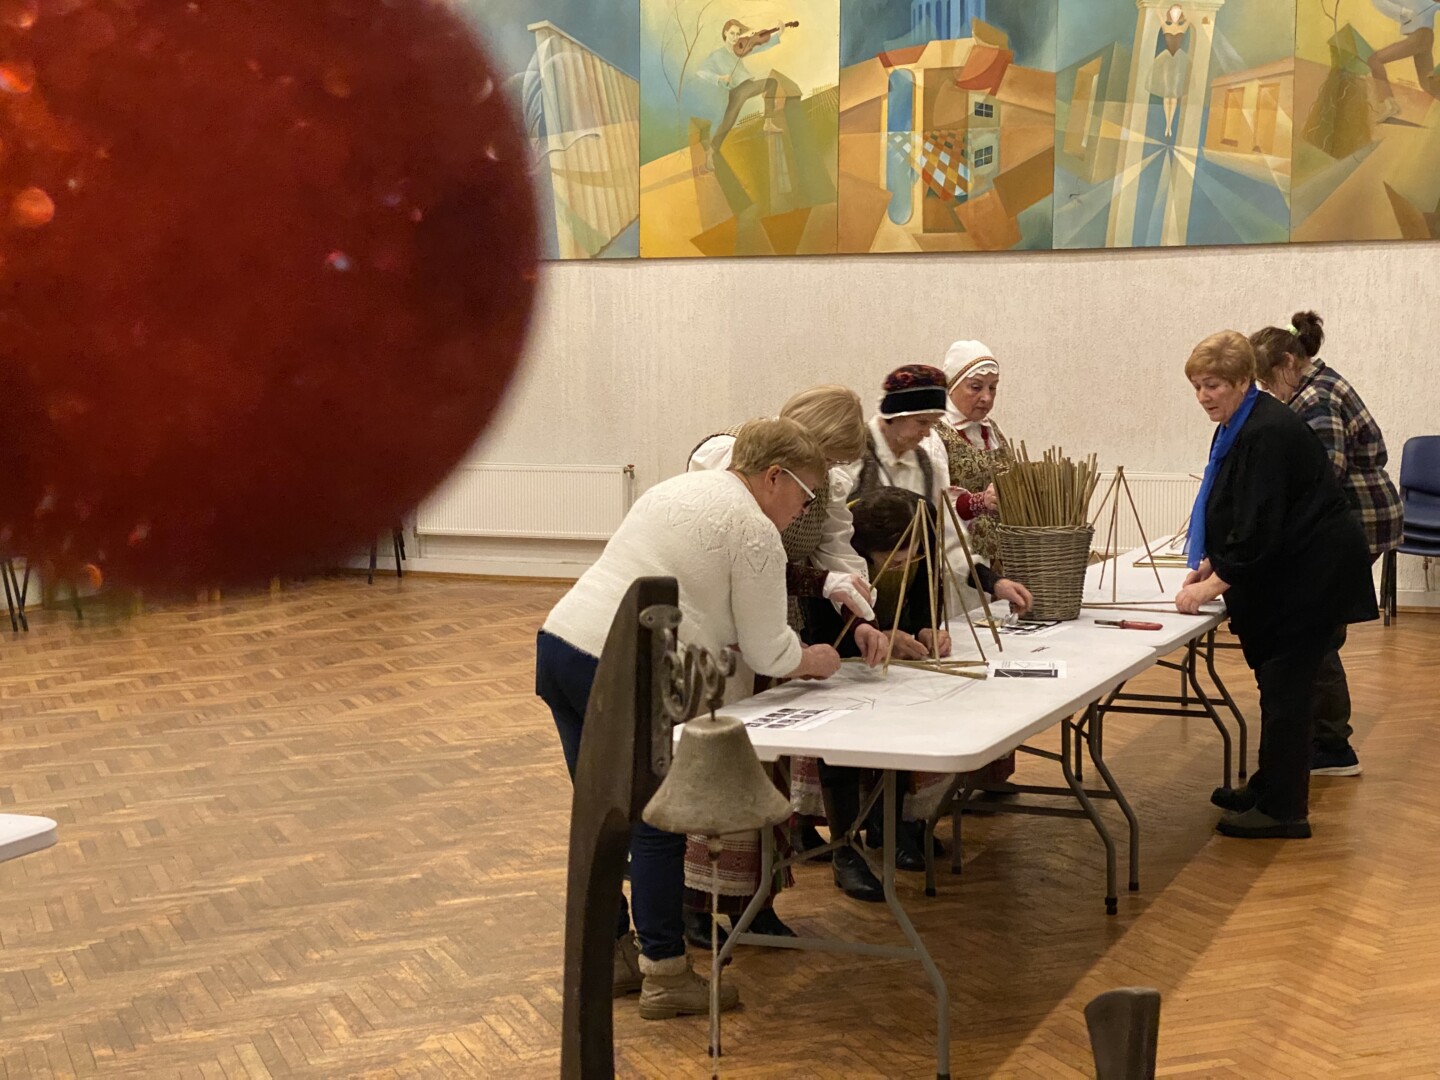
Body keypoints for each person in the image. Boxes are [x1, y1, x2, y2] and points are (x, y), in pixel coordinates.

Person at [535, 418, 841, 1018]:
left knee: (599, 815)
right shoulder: (754, 529)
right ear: (773, 476)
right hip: (627, 666)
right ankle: (666, 973)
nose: (802, 513)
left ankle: (613, 954)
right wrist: (815, 659)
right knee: (656, 823)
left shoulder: (676, 489)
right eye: (805, 497)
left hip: (563, 645)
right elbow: (768, 651)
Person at [686, 386, 886, 936]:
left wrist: (862, 614)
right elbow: (725, 553)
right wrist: (807, 627)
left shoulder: (822, 485)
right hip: (714, 631)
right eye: (825, 460)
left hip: (770, 621)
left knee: (762, 769)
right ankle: (695, 906)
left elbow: (834, 553)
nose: (827, 477)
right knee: (717, 766)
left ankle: (752, 904)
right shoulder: (725, 461)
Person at [1175, 331, 1377, 840]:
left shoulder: (1265, 431)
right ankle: (1269, 787)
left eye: (1213, 385)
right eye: (1197, 386)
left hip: (1310, 578)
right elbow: (1239, 507)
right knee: (1277, 689)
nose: (1203, 396)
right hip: (1294, 575)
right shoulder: (1241, 423)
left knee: (1288, 694)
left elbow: (1262, 522)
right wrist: (1213, 563)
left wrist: (1212, 585)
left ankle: (1284, 811)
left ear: (1244, 380)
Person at [1249, 311, 1402, 778]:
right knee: (1323, 628)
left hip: (1358, 519)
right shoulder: (1317, 384)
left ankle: (1332, 746)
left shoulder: (1315, 398)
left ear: (1288, 363)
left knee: (1318, 631)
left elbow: (1323, 475)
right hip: (1357, 517)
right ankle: (1324, 737)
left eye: (1267, 380)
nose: (1267, 391)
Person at [695, 18, 791, 172]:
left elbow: (759, 46)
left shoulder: (739, 48)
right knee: (727, 123)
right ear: (725, 33)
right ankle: (711, 153)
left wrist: (778, 34)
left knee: (771, 83)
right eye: (732, 33)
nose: (735, 37)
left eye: (737, 34)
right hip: (737, 91)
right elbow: (701, 71)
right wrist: (719, 78)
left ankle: (768, 122)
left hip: (748, 86)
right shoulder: (717, 55)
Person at [1367, 0, 1440, 121]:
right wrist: (1403, 12)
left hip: (1420, 37)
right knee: (1426, 84)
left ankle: (1390, 105)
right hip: (1423, 38)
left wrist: (1403, 12)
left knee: (1374, 60)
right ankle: (1391, 105)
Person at [1149, 5, 1190, 138]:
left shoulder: (1183, 27)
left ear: (1181, 14)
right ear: (1169, 13)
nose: (1175, 15)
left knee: (1175, 93)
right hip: (1166, 61)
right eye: (1173, 12)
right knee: (1167, 92)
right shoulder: (1165, 26)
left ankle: (1170, 125)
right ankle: (1167, 125)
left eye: (1178, 12)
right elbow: (1157, 11)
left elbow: (1191, 16)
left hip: (1177, 61)